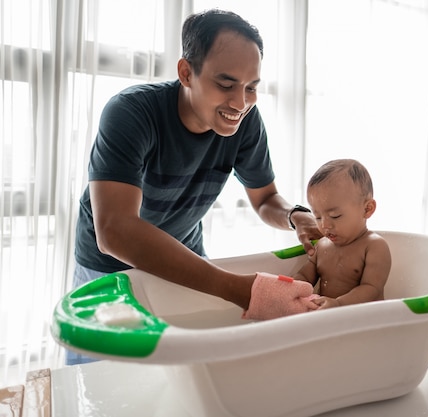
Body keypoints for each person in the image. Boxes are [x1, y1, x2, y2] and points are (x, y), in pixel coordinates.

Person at [73, 9, 322, 321]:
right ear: (186, 72)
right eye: (226, 83)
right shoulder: (132, 113)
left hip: (185, 254)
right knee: (106, 366)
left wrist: (296, 216)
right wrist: (239, 289)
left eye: (251, 87)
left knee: (188, 357)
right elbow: (114, 231)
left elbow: (265, 198)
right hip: (109, 266)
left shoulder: (246, 124)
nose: (240, 103)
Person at [293, 159, 392, 309]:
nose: (324, 225)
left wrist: (339, 303)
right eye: (318, 217)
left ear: (367, 209)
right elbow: (305, 277)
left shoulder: (374, 246)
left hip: (365, 322)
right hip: (330, 319)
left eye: (335, 216)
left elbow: (371, 288)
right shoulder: (322, 246)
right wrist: (293, 287)